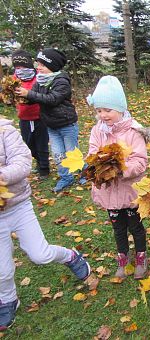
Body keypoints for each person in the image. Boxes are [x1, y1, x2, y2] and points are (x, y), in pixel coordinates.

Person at [0, 116, 90, 331]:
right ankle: (8, 300)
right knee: (2, 269)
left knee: (40, 255)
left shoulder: (5, 131)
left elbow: (23, 163)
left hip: (18, 205)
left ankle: (70, 256)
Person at [86, 76, 149, 280]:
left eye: (108, 110)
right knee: (118, 227)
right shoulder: (97, 131)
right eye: (99, 110)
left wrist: (121, 168)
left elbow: (140, 161)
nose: (103, 115)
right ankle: (122, 258)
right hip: (109, 192)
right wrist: (98, 165)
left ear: (120, 108)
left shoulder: (133, 132)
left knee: (135, 226)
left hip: (129, 191)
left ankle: (141, 256)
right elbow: (93, 153)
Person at [15, 48, 80, 193]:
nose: (38, 67)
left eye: (42, 65)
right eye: (37, 64)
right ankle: (66, 178)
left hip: (67, 124)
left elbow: (52, 99)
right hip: (51, 125)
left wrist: (29, 93)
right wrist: (22, 98)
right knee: (58, 154)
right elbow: (36, 97)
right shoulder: (40, 81)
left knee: (72, 153)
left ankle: (83, 172)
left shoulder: (61, 81)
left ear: (52, 66)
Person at [11, 50, 50, 179]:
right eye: (17, 67)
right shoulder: (14, 79)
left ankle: (44, 168)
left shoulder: (39, 76)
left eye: (22, 67)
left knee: (42, 143)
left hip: (40, 116)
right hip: (24, 117)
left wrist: (28, 95)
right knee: (29, 143)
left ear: (28, 65)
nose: (19, 69)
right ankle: (38, 162)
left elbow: (43, 94)